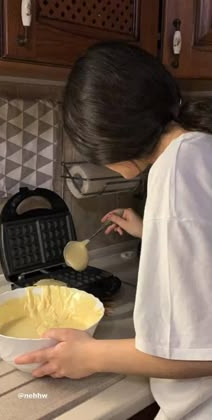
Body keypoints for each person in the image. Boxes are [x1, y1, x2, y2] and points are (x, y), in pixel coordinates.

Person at [15, 42, 212, 419]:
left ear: (106, 137)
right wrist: (151, 232)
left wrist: (90, 355)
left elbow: (200, 349)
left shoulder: (176, 173)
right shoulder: (200, 150)